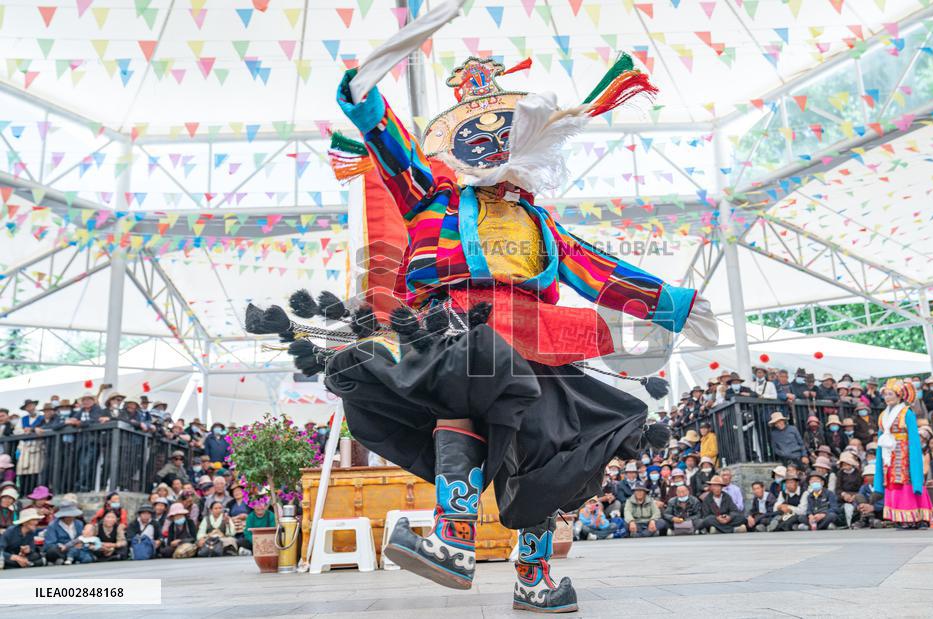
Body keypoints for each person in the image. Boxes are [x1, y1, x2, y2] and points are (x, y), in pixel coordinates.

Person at [300, 27, 719, 613]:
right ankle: (453, 539)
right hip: (459, 326)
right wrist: (366, 102)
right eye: (479, 138)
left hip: (536, 338)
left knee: (552, 450)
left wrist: (672, 303)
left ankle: (533, 579)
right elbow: (395, 155)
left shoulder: (542, 224)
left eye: (506, 135)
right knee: (464, 389)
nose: (495, 147)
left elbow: (600, 271)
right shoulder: (435, 200)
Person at [875, 379, 933, 528]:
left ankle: (915, 516)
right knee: (892, 481)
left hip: (903, 451)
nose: (887, 397)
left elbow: (913, 436)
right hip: (888, 453)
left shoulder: (906, 412)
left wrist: (912, 455)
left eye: (890, 394)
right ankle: (899, 516)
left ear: (899, 395)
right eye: (885, 394)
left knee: (906, 480)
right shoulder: (883, 415)